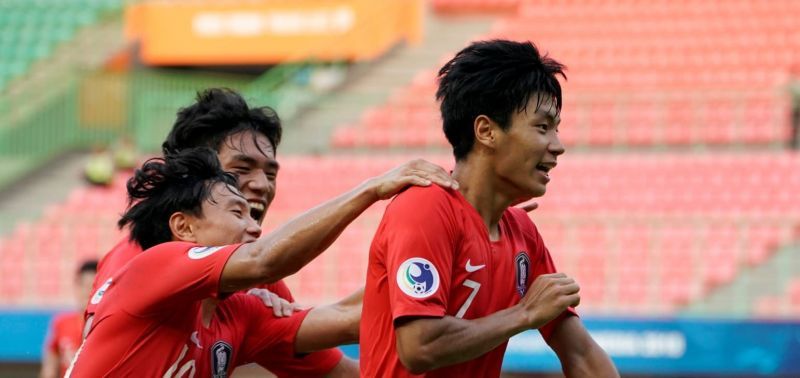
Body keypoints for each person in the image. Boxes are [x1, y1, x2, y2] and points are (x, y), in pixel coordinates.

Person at [68, 147, 456, 376]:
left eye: (253, 217)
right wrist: (372, 189)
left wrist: (458, 271)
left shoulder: (239, 314)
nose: (254, 227)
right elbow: (264, 261)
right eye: (238, 213)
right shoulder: (150, 267)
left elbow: (350, 318)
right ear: (184, 227)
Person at [360, 40, 618, 377]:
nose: (558, 146)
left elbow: (581, 354)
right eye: (542, 127)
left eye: (557, 129)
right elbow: (419, 346)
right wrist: (523, 314)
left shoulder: (522, 232)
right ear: (486, 131)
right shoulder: (425, 207)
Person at [85, 88, 353, 376]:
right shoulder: (139, 262)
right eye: (242, 168)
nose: (262, 184)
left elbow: (340, 352)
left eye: (270, 173)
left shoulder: (255, 285)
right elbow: (266, 260)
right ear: (196, 171)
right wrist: (373, 190)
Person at [40, 260, 97, 378]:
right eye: (84, 285)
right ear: (76, 286)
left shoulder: (106, 324)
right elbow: (49, 367)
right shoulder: (61, 323)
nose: (87, 292)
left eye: (93, 286)